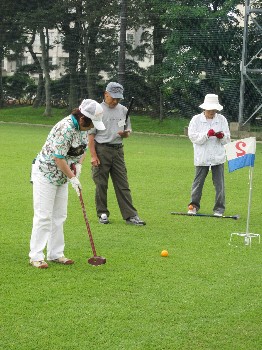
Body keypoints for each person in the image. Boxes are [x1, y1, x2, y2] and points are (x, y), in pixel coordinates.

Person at [29, 99, 105, 269]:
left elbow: (82, 150)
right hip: (46, 174)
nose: (93, 127)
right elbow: (58, 158)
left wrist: (78, 165)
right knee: (44, 215)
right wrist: (72, 177)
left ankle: (55, 253)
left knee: (59, 215)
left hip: (62, 175)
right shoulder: (65, 128)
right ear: (83, 118)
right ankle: (36, 255)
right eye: (92, 123)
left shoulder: (84, 128)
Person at [88, 82, 146, 226]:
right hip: (101, 149)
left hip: (118, 150)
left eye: (118, 98)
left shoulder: (123, 110)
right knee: (101, 184)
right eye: (113, 98)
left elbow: (127, 132)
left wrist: (125, 133)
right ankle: (102, 213)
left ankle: (131, 216)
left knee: (123, 184)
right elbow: (90, 136)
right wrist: (93, 156)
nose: (115, 101)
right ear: (105, 94)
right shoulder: (98, 110)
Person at [187, 94, 231, 216]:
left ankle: (219, 209)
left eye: (214, 109)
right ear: (204, 108)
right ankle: (193, 206)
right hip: (202, 157)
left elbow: (227, 139)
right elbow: (193, 137)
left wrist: (222, 136)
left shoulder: (222, 120)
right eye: (210, 109)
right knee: (198, 183)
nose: (212, 111)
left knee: (219, 185)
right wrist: (207, 135)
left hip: (218, 157)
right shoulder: (196, 120)